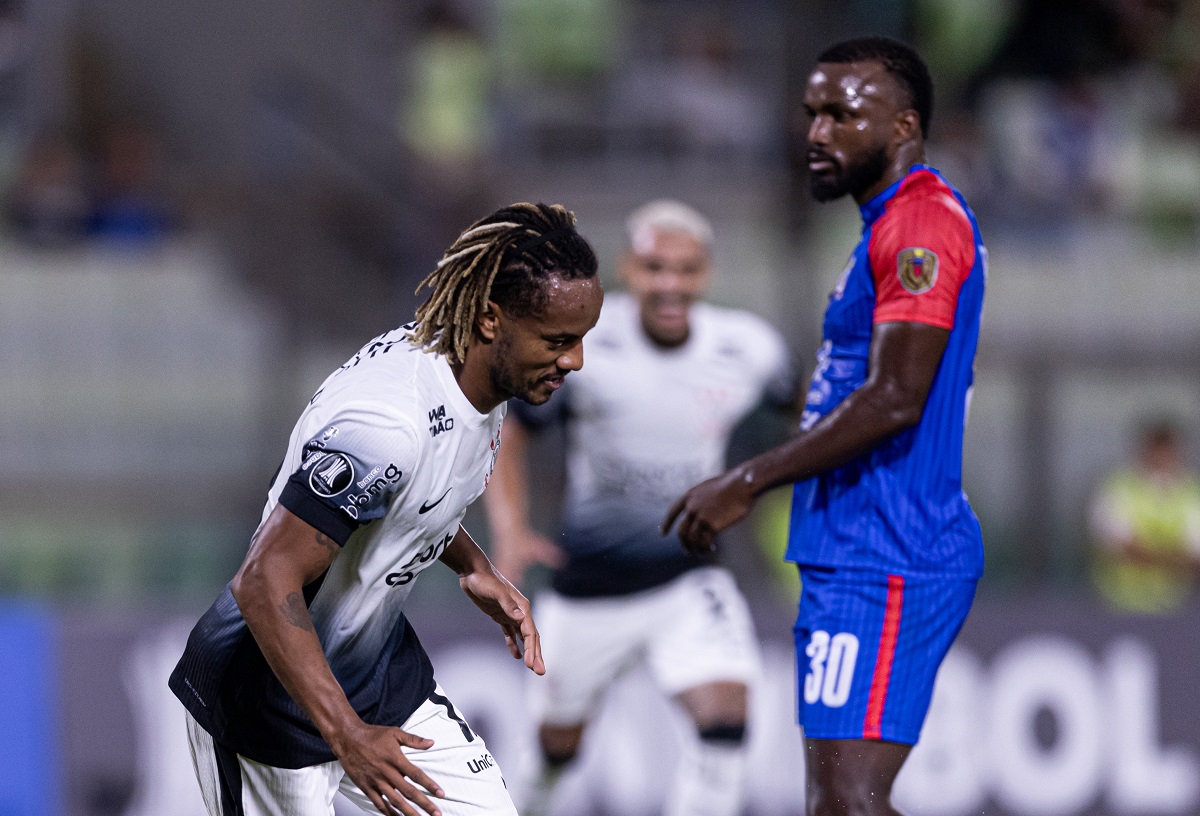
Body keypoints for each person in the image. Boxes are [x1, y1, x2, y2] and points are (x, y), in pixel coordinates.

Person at [169, 202, 603, 816]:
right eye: (559, 341)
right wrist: (347, 738)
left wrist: (471, 563)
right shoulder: (385, 426)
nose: (575, 361)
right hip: (268, 698)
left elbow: (411, 489)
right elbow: (265, 581)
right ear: (488, 321)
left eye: (582, 339)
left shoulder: (486, 380)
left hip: (376, 676)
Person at [664, 37, 987, 816]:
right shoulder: (884, 226)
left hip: (890, 549)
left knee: (847, 803)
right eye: (810, 113)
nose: (816, 133)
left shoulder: (920, 226)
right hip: (855, 548)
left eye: (842, 114)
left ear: (904, 124)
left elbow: (896, 396)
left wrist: (748, 480)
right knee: (839, 803)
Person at [485, 200, 794, 816]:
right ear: (629, 269)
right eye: (655, 268)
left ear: (706, 273)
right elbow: (510, 432)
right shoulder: (587, 343)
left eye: (686, 269)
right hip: (589, 586)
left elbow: (804, 424)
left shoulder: (750, 348)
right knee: (555, 750)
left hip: (688, 576)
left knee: (725, 723)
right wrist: (511, 531)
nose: (671, 284)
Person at [1090, 418, 1200, 614]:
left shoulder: (1191, 493)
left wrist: (1150, 554)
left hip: (1174, 606)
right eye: (1157, 451)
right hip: (1119, 603)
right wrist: (1173, 558)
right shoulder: (1119, 487)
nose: (1162, 458)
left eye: (1167, 452)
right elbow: (1122, 547)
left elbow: (1194, 554)